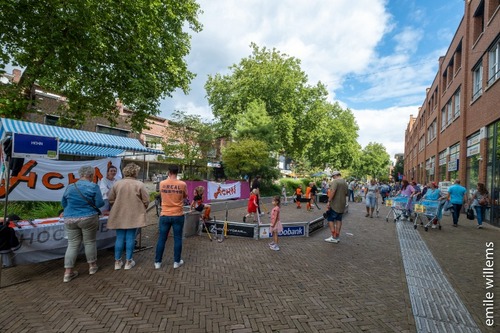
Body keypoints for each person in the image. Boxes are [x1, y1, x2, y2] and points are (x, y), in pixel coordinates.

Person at [61, 165, 104, 283]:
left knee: (72, 244)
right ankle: (92, 266)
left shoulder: (70, 187)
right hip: (88, 217)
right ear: (91, 175)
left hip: (70, 218)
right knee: (89, 242)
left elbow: (63, 203)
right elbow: (99, 203)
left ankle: (68, 273)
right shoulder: (93, 186)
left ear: (80, 175)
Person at [107, 163, 149, 270]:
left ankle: (117, 262)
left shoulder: (117, 184)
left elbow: (111, 199)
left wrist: (117, 206)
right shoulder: (139, 184)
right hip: (134, 215)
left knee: (119, 237)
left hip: (119, 214)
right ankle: (128, 262)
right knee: (130, 237)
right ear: (135, 172)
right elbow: (146, 200)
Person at [154, 165, 188, 270]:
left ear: (169, 172)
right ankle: (176, 262)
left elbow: (161, 195)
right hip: (178, 214)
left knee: (162, 239)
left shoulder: (162, 183)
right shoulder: (182, 184)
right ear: (177, 172)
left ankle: (157, 262)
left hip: (165, 214)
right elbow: (185, 196)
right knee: (178, 238)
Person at [324, 171, 348, 243]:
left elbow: (333, 191)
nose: (332, 178)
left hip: (335, 204)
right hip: (342, 204)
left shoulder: (335, 182)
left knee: (330, 219)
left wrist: (329, 201)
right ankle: (337, 236)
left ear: (335, 175)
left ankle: (333, 236)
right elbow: (347, 193)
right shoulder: (344, 182)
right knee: (339, 220)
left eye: (333, 176)